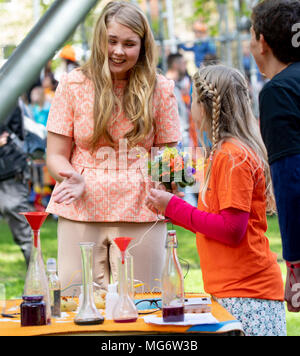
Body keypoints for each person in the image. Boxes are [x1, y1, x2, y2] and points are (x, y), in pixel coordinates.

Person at [45, 1, 181, 294]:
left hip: (142, 211)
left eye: (129, 43)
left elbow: (171, 156)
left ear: (142, 46)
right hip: (81, 208)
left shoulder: (161, 88)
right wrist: (71, 177)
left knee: (144, 304)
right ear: (99, 40)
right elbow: (55, 154)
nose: (119, 51)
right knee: (77, 305)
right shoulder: (72, 84)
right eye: (112, 41)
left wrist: (174, 193)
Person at [146, 64, 286, 336]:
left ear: (206, 106)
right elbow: (214, 223)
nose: (190, 108)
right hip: (236, 291)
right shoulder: (224, 153)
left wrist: (173, 206)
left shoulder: (232, 156)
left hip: (247, 295)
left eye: (193, 100)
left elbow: (232, 230)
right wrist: (171, 209)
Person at [250, 0, 300, 313]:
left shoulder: (278, 92)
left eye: (251, 35)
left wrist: (294, 265)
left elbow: (291, 179)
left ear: (263, 42)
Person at [0, 104, 32, 267]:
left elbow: (14, 134)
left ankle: (38, 279)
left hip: (9, 170)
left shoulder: (8, 93)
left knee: (21, 228)